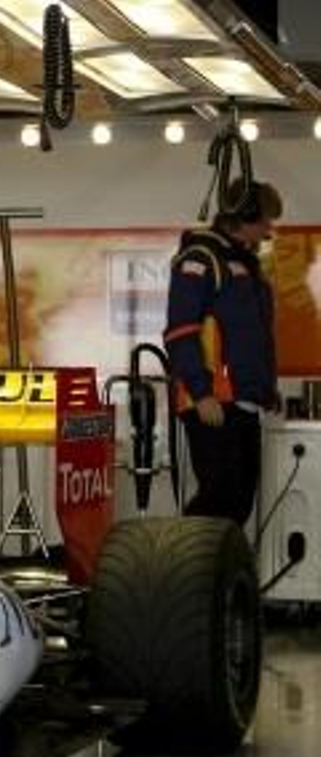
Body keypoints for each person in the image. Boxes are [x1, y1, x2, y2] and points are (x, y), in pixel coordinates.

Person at [163, 178, 283, 526]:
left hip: (242, 401)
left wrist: (266, 392)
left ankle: (217, 578)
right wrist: (201, 393)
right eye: (264, 221)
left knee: (238, 501)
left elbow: (251, 338)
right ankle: (178, 571)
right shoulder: (201, 258)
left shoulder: (243, 263)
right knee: (220, 497)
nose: (268, 231)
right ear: (244, 216)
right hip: (213, 402)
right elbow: (181, 331)